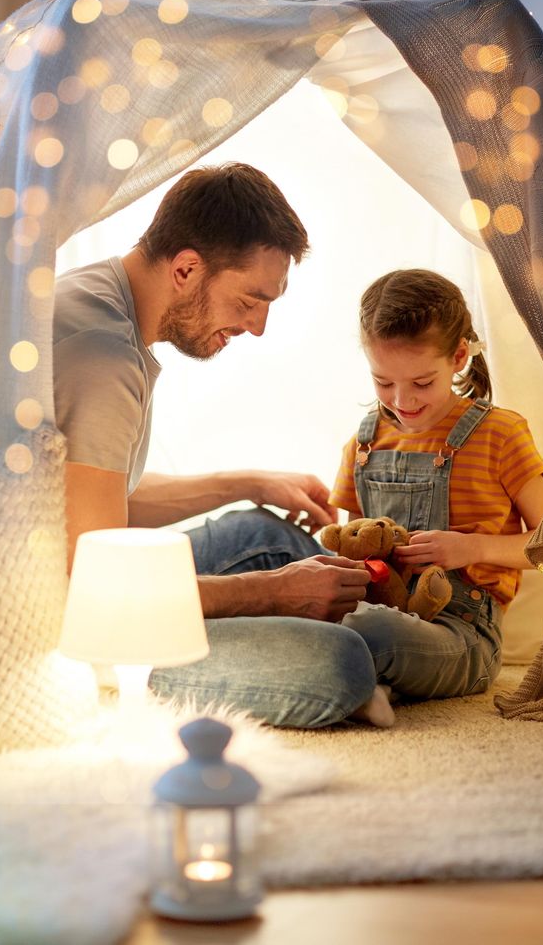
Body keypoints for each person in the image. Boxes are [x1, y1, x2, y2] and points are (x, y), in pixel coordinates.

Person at [54, 161, 376, 727]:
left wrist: (249, 483)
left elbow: (97, 497)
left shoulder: (99, 295)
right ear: (185, 268)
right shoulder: (102, 356)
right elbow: (94, 574)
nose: (258, 327)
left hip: (81, 572)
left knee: (262, 531)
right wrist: (271, 595)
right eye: (250, 301)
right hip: (61, 618)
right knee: (339, 664)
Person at [328, 268, 543, 727]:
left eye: (422, 382)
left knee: (371, 634)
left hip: (465, 631)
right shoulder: (363, 443)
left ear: (459, 356)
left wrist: (472, 548)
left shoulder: (500, 433)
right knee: (324, 619)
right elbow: (351, 539)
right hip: (378, 605)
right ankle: (361, 681)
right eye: (383, 382)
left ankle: (356, 679)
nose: (402, 400)